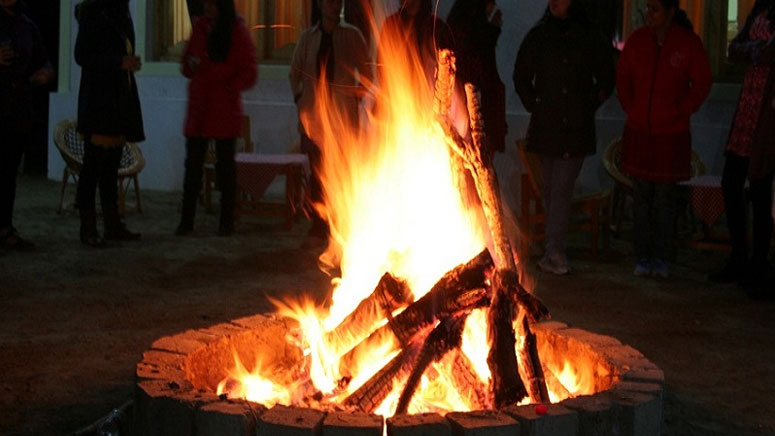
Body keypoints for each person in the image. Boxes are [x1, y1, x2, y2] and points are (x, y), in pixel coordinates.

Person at [513, 0, 614, 275]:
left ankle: (555, 252)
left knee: (561, 188)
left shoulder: (590, 36)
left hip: (575, 127)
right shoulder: (540, 35)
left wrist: (586, 104)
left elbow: (607, 76)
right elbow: (521, 75)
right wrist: (536, 104)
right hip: (547, 125)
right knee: (550, 189)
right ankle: (553, 248)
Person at [616, 0, 711, 278]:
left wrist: (681, 109)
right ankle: (642, 256)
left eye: (655, 9)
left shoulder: (687, 43)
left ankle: (662, 257)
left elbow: (702, 82)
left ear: (670, 13)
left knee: (665, 199)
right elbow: (623, 77)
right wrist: (631, 107)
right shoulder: (637, 41)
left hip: (671, 134)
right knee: (642, 198)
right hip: (640, 131)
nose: (649, 13)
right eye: (648, 8)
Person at [289, 0, 371, 244]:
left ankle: (343, 225)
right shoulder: (308, 38)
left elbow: (367, 74)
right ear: (321, 5)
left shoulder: (352, 36)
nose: (334, 6)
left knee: (344, 173)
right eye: (329, 2)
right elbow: (295, 72)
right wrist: (300, 99)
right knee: (317, 173)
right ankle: (319, 224)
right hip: (315, 121)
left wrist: (355, 96)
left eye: (338, 2)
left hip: (343, 120)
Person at [709, 0, 775, 299]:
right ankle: (739, 257)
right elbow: (736, 48)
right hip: (749, 107)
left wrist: (755, 50)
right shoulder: (759, 9)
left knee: (762, 191)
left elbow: (767, 51)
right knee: (731, 182)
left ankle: (760, 265)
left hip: (767, 114)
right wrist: (752, 50)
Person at [176, 0, 257, 237]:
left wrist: (229, 85)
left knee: (226, 169)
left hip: (223, 108)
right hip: (200, 109)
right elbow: (187, 63)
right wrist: (191, 65)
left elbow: (249, 71)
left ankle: (226, 222)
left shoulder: (236, 31)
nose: (207, 7)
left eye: (212, 3)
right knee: (192, 167)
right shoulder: (200, 27)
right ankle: (186, 221)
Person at [74, 0, 144, 247]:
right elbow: (82, 55)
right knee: (93, 165)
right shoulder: (94, 12)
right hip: (99, 100)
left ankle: (112, 223)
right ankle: (88, 226)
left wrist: (128, 63)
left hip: (118, 98)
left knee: (110, 165)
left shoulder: (121, 11)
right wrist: (118, 62)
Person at [0, 0, 53, 250]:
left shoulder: (26, 25)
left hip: (16, 108)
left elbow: (44, 61)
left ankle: (4, 228)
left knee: (9, 172)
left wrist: (44, 72)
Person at [447, 0, 506, 157]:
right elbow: (481, 77)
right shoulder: (472, 43)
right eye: (489, 3)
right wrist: (491, 33)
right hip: (470, 120)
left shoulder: (460, 34)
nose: (493, 7)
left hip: (474, 121)